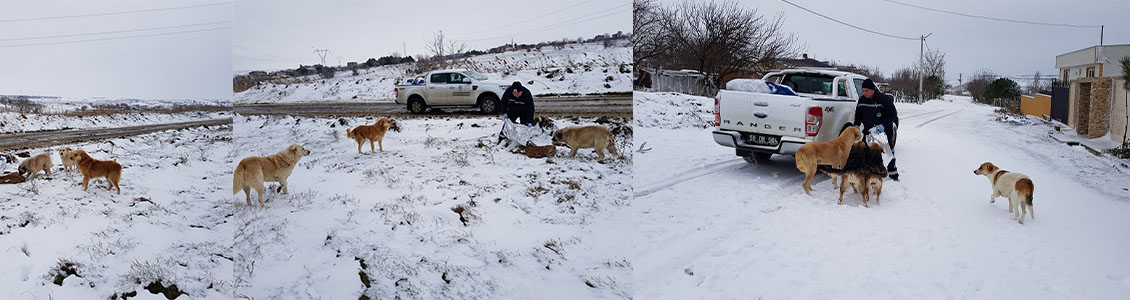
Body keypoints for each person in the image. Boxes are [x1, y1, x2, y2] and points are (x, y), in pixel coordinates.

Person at [855, 78, 900, 180]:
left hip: (883, 131)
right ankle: (868, 174)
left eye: (867, 90)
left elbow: (893, 114)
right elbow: (858, 114)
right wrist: (856, 124)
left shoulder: (883, 99)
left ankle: (893, 175)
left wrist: (883, 125)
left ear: (873, 89)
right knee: (865, 153)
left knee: (888, 153)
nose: (864, 93)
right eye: (863, 90)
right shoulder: (862, 100)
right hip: (868, 132)